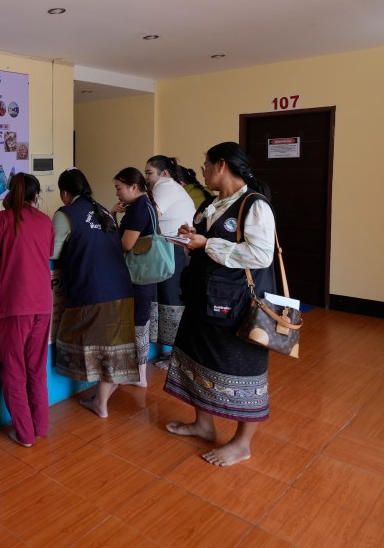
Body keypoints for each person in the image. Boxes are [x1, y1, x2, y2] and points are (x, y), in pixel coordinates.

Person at [163, 141, 276, 467]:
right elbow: (203, 245)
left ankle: (242, 444)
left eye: (206, 164)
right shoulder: (213, 204)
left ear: (221, 165)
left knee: (242, 368)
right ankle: (203, 423)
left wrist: (207, 243)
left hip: (237, 305)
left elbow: (260, 255)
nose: (203, 170)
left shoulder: (254, 206)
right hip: (202, 300)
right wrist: (191, 239)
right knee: (196, 357)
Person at [51, 168, 137, 418]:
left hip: (92, 288)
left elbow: (52, 253)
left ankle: (100, 402)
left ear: (65, 193)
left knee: (86, 338)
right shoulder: (102, 210)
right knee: (114, 344)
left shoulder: (66, 213)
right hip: (121, 286)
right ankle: (101, 401)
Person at [0, 173, 54, 447]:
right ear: (36, 196)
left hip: (15, 303)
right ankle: (40, 426)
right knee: (36, 367)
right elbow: (45, 254)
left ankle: (24, 433)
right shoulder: (45, 221)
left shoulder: (3, 219)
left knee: (14, 369)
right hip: (42, 303)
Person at [143, 155, 197, 368]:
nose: (146, 178)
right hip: (171, 249)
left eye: (149, 173)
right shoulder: (169, 186)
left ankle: (179, 356)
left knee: (171, 301)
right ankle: (175, 353)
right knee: (168, 299)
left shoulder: (165, 185)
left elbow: (150, 215)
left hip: (172, 249)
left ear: (164, 173)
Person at [112, 167, 157, 387]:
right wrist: (113, 214)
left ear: (133, 187)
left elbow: (127, 244)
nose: (117, 193)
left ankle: (139, 376)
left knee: (138, 324)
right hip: (143, 276)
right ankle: (139, 373)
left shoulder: (139, 208)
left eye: (119, 188)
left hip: (138, 277)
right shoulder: (143, 204)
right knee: (140, 323)